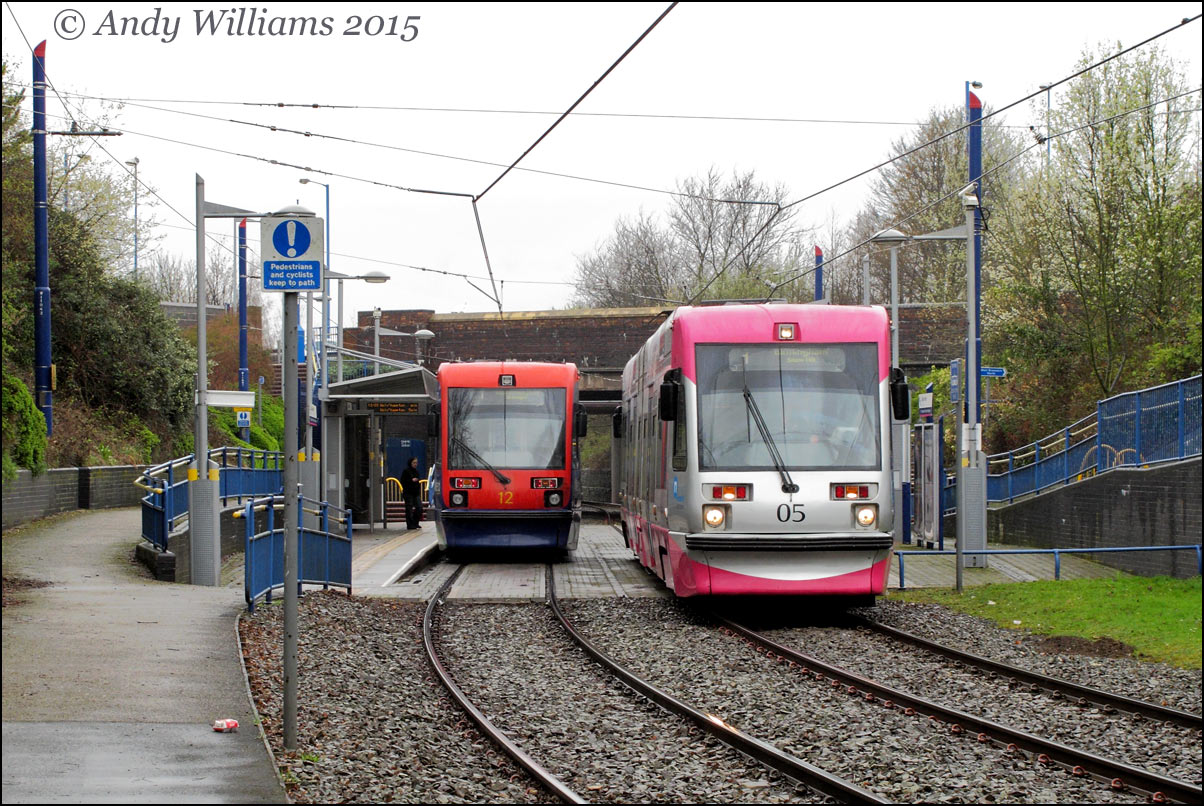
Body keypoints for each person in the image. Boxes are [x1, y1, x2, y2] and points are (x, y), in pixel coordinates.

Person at [400, 457, 422, 530]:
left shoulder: (416, 471)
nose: (415, 464)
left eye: (416, 463)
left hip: (416, 493)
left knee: (419, 507)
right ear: (410, 463)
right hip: (408, 493)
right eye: (414, 463)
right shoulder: (406, 471)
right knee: (409, 508)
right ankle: (410, 524)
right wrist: (411, 480)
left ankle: (415, 522)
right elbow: (403, 481)